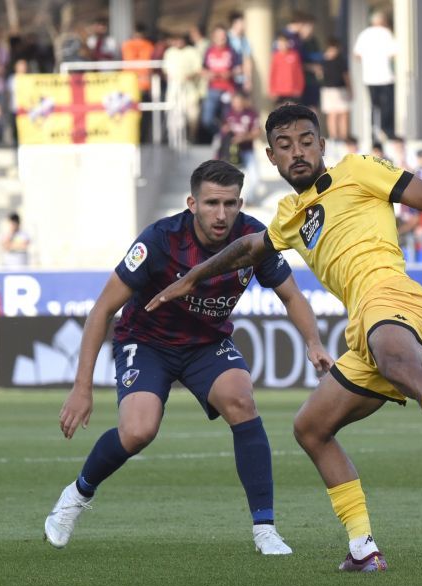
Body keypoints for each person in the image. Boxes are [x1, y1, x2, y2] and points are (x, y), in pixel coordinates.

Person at [146, 104, 422, 572]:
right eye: (286, 146)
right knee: (310, 427)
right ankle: (363, 548)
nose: (299, 152)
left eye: (307, 141)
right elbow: (251, 247)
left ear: (323, 144)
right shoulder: (290, 214)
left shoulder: (359, 169)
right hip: (364, 326)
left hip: (392, 294)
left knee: (395, 360)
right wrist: (193, 278)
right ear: (271, 157)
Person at [44, 160, 331, 555]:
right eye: (212, 203)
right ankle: (75, 496)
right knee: (138, 431)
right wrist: (82, 388)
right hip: (147, 342)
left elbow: (292, 295)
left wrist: (313, 342)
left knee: (241, 400)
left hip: (206, 344)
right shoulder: (160, 240)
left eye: (230, 204)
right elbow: (102, 310)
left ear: (241, 202)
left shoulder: (253, 238)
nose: (221, 214)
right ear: (191, 202)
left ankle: (265, 528)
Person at [353, 11, 398, 139]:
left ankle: (374, 131)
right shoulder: (386, 33)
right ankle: (387, 131)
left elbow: (356, 55)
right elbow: (394, 53)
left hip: (369, 76)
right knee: (388, 105)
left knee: (374, 105)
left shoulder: (364, 34)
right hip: (385, 76)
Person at [218, 93, 261, 201]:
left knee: (255, 178)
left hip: (247, 150)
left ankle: (247, 199)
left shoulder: (251, 114)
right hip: (232, 153)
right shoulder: (228, 114)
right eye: (235, 102)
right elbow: (223, 131)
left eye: (239, 102)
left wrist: (244, 137)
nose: (237, 105)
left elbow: (257, 132)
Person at [320, 38, 351, 141]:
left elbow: (346, 76)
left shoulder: (341, 60)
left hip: (341, 89)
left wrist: (350, 89)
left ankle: (344, 136)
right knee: (332, 114)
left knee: (343, 113)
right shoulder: (323, 60)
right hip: (328, 90)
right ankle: (334, 137)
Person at [269, 32, 305, 106]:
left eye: (283, 42)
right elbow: (272, 74)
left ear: (288, 43)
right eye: (279, 43)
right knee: (280, 113)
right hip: (279, 91)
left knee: (292, 114)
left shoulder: (294, 55)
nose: (281, 45)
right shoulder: (276, 56)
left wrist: (299, 88)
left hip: (292, 90)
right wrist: (272, 90)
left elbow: (299, 73)